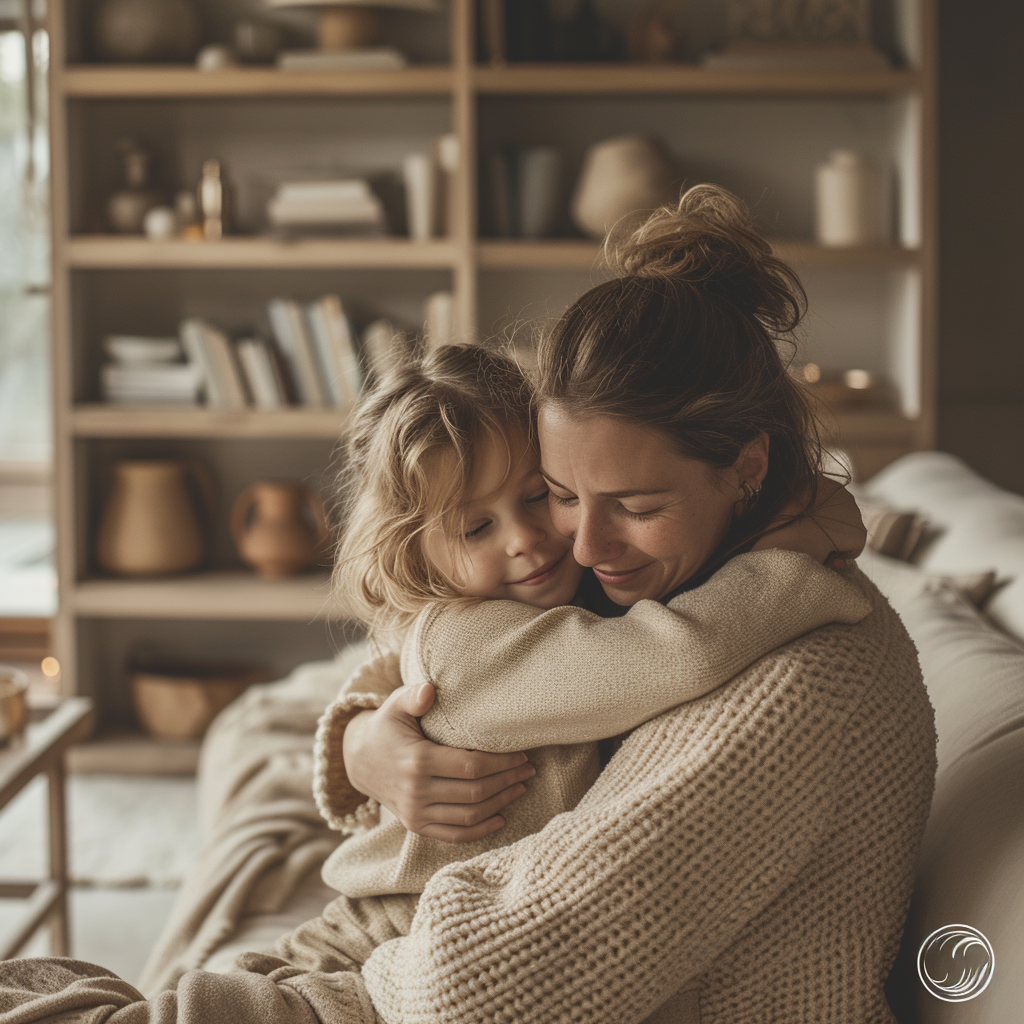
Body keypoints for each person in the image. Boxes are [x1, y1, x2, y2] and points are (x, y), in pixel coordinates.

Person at [0, 185, 936, 1024]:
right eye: (563, 492)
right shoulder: (690, 579)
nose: (576, 545)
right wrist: (362, 738)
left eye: (635, 507)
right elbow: (461, 661)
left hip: (412, 971)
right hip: (383, 937)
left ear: (748, 468)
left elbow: (479, 991)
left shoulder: (797, 676)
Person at [307, 342, 868, 922]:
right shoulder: (468, 640)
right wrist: (792, 553)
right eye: (477, 528)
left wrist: (357, 736)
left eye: (539, 496)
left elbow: (392, 662)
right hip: (391, 923)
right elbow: (679, 652)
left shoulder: (572, 588)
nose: (523, 537)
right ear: (415, 554)